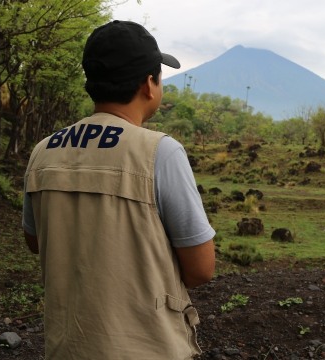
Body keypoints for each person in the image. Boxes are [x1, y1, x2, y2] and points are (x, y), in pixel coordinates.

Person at [22, 20, 216, 359]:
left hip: (67, 347)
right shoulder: (160, 151)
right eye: (159, 76)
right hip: (147, 347)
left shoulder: (43, 150)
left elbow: (36, 241)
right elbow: (201, 268)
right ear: (148, 84)